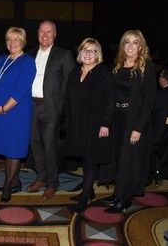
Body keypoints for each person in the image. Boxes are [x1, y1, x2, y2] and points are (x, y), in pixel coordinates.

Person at [101, 30, 157, 213]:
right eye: (127, 42)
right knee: (116, 157)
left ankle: (124, 198)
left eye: (135, 43)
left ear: (141, 46)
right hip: (116, 119)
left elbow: (149, 102)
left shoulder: (145, 67)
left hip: (133, 122)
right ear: (122, 45)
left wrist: (138, 129)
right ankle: (118, 192)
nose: (131, 46)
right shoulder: (118, 64)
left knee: (129, 160)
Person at [26, 20, 76, 199]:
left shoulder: (64, 54)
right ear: (37, 33)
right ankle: (41, 176)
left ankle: (52, 183)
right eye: (42, 31)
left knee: (50, 148)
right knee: (35, 144)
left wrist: (67, 111)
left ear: (55, 34)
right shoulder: (29, 54)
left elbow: (71, 85)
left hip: (52, 109)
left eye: (49, 32)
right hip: (30, 106)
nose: (45, 35)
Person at [65, 38, 116, 212]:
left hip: (96, 124)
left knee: (91, 159)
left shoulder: (103, 72)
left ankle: (85, 196)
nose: (87, 53)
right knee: (85, 159)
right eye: (84, 50)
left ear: (98, 54)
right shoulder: (74, 72)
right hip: (78, 123)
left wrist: (106, 124)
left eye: (92, 50)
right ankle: (89, 190)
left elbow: (112, 99)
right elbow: (69, 99)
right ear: (79, 53)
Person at [0, 27, 36, 202]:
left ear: (23, 42)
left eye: (16, 39)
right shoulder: (2, 59)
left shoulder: (28, 62)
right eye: (9, 39)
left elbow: (20, 90)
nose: (12, 43)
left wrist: (4, 108)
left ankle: (8, 185)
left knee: (14, 149)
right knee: (8, 147)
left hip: (16, 112)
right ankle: (15, 181)